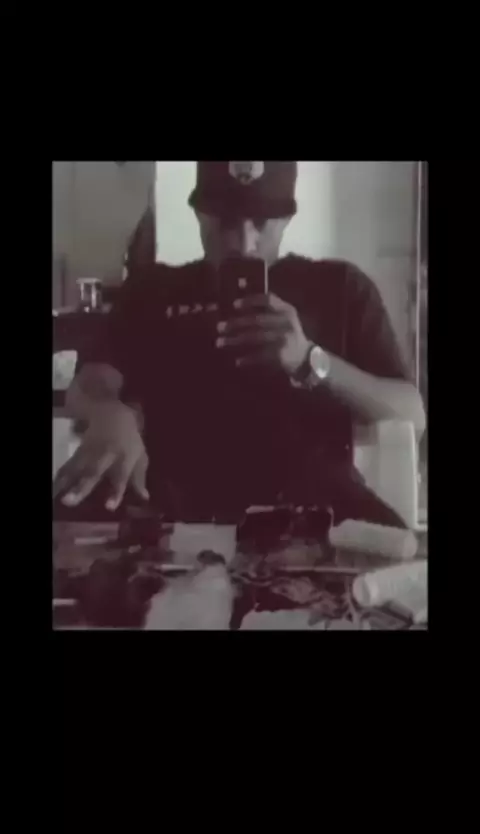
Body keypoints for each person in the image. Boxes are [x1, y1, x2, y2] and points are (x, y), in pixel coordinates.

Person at [53, 161, 425, 527]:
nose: (244, 243)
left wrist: (310, 360)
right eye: (226, 222)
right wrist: (109, 412)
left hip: (308, 514)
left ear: (287, 217)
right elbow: (89, 384)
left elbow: (412, 414)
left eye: (261, 222)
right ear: (200, 213)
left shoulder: (339, 289)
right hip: (174, 517)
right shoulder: (150, 291)